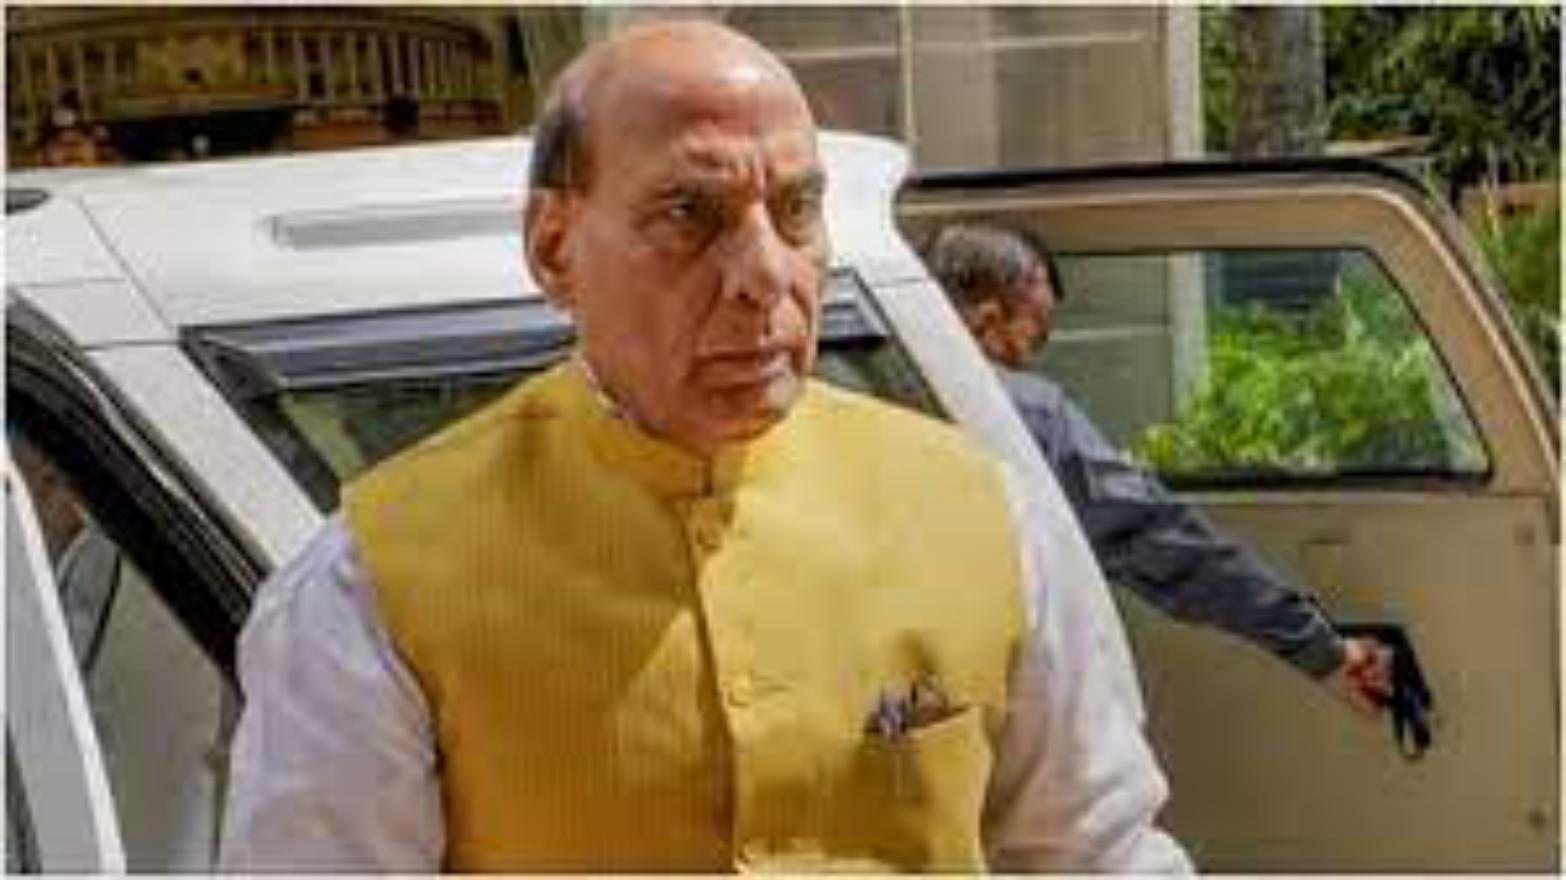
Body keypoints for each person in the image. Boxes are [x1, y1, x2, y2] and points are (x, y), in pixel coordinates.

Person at [219, 21, 1189, 873]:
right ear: (554, 248)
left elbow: (1101, 852)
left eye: (797, 211)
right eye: (689, 215)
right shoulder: (377, 583)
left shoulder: (983, 517)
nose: (764, 274)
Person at [921, 223, 1393, 714]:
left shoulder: (866, 395)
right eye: (1029, 340)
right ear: (985, 321)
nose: (1026, 365)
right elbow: (1155, 536)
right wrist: (1320, 649)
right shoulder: (1024, 413)